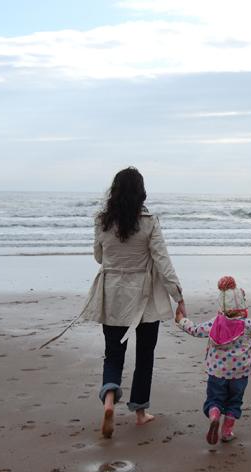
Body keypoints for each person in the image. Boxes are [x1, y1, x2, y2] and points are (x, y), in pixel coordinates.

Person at [83, 167, 186, 439]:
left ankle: (108, 399)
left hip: (113, 295)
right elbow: (163, 262)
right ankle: (140, 412)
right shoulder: (149, 222)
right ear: (141, 193)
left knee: (113, 353)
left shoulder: (102, 221)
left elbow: (98, 256)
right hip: (145, 299)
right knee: (145, 355)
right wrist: (178, 295)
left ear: (114, 191)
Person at [176, 276, 251, 445]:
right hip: (240, 374)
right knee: (235, 402)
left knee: (214, 399)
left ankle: (214, 414)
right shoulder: (247, 324)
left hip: (217, 373)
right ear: (242, 305)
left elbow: (195, 330)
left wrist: (181, 320)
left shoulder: (214, 324)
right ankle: (226, 432)